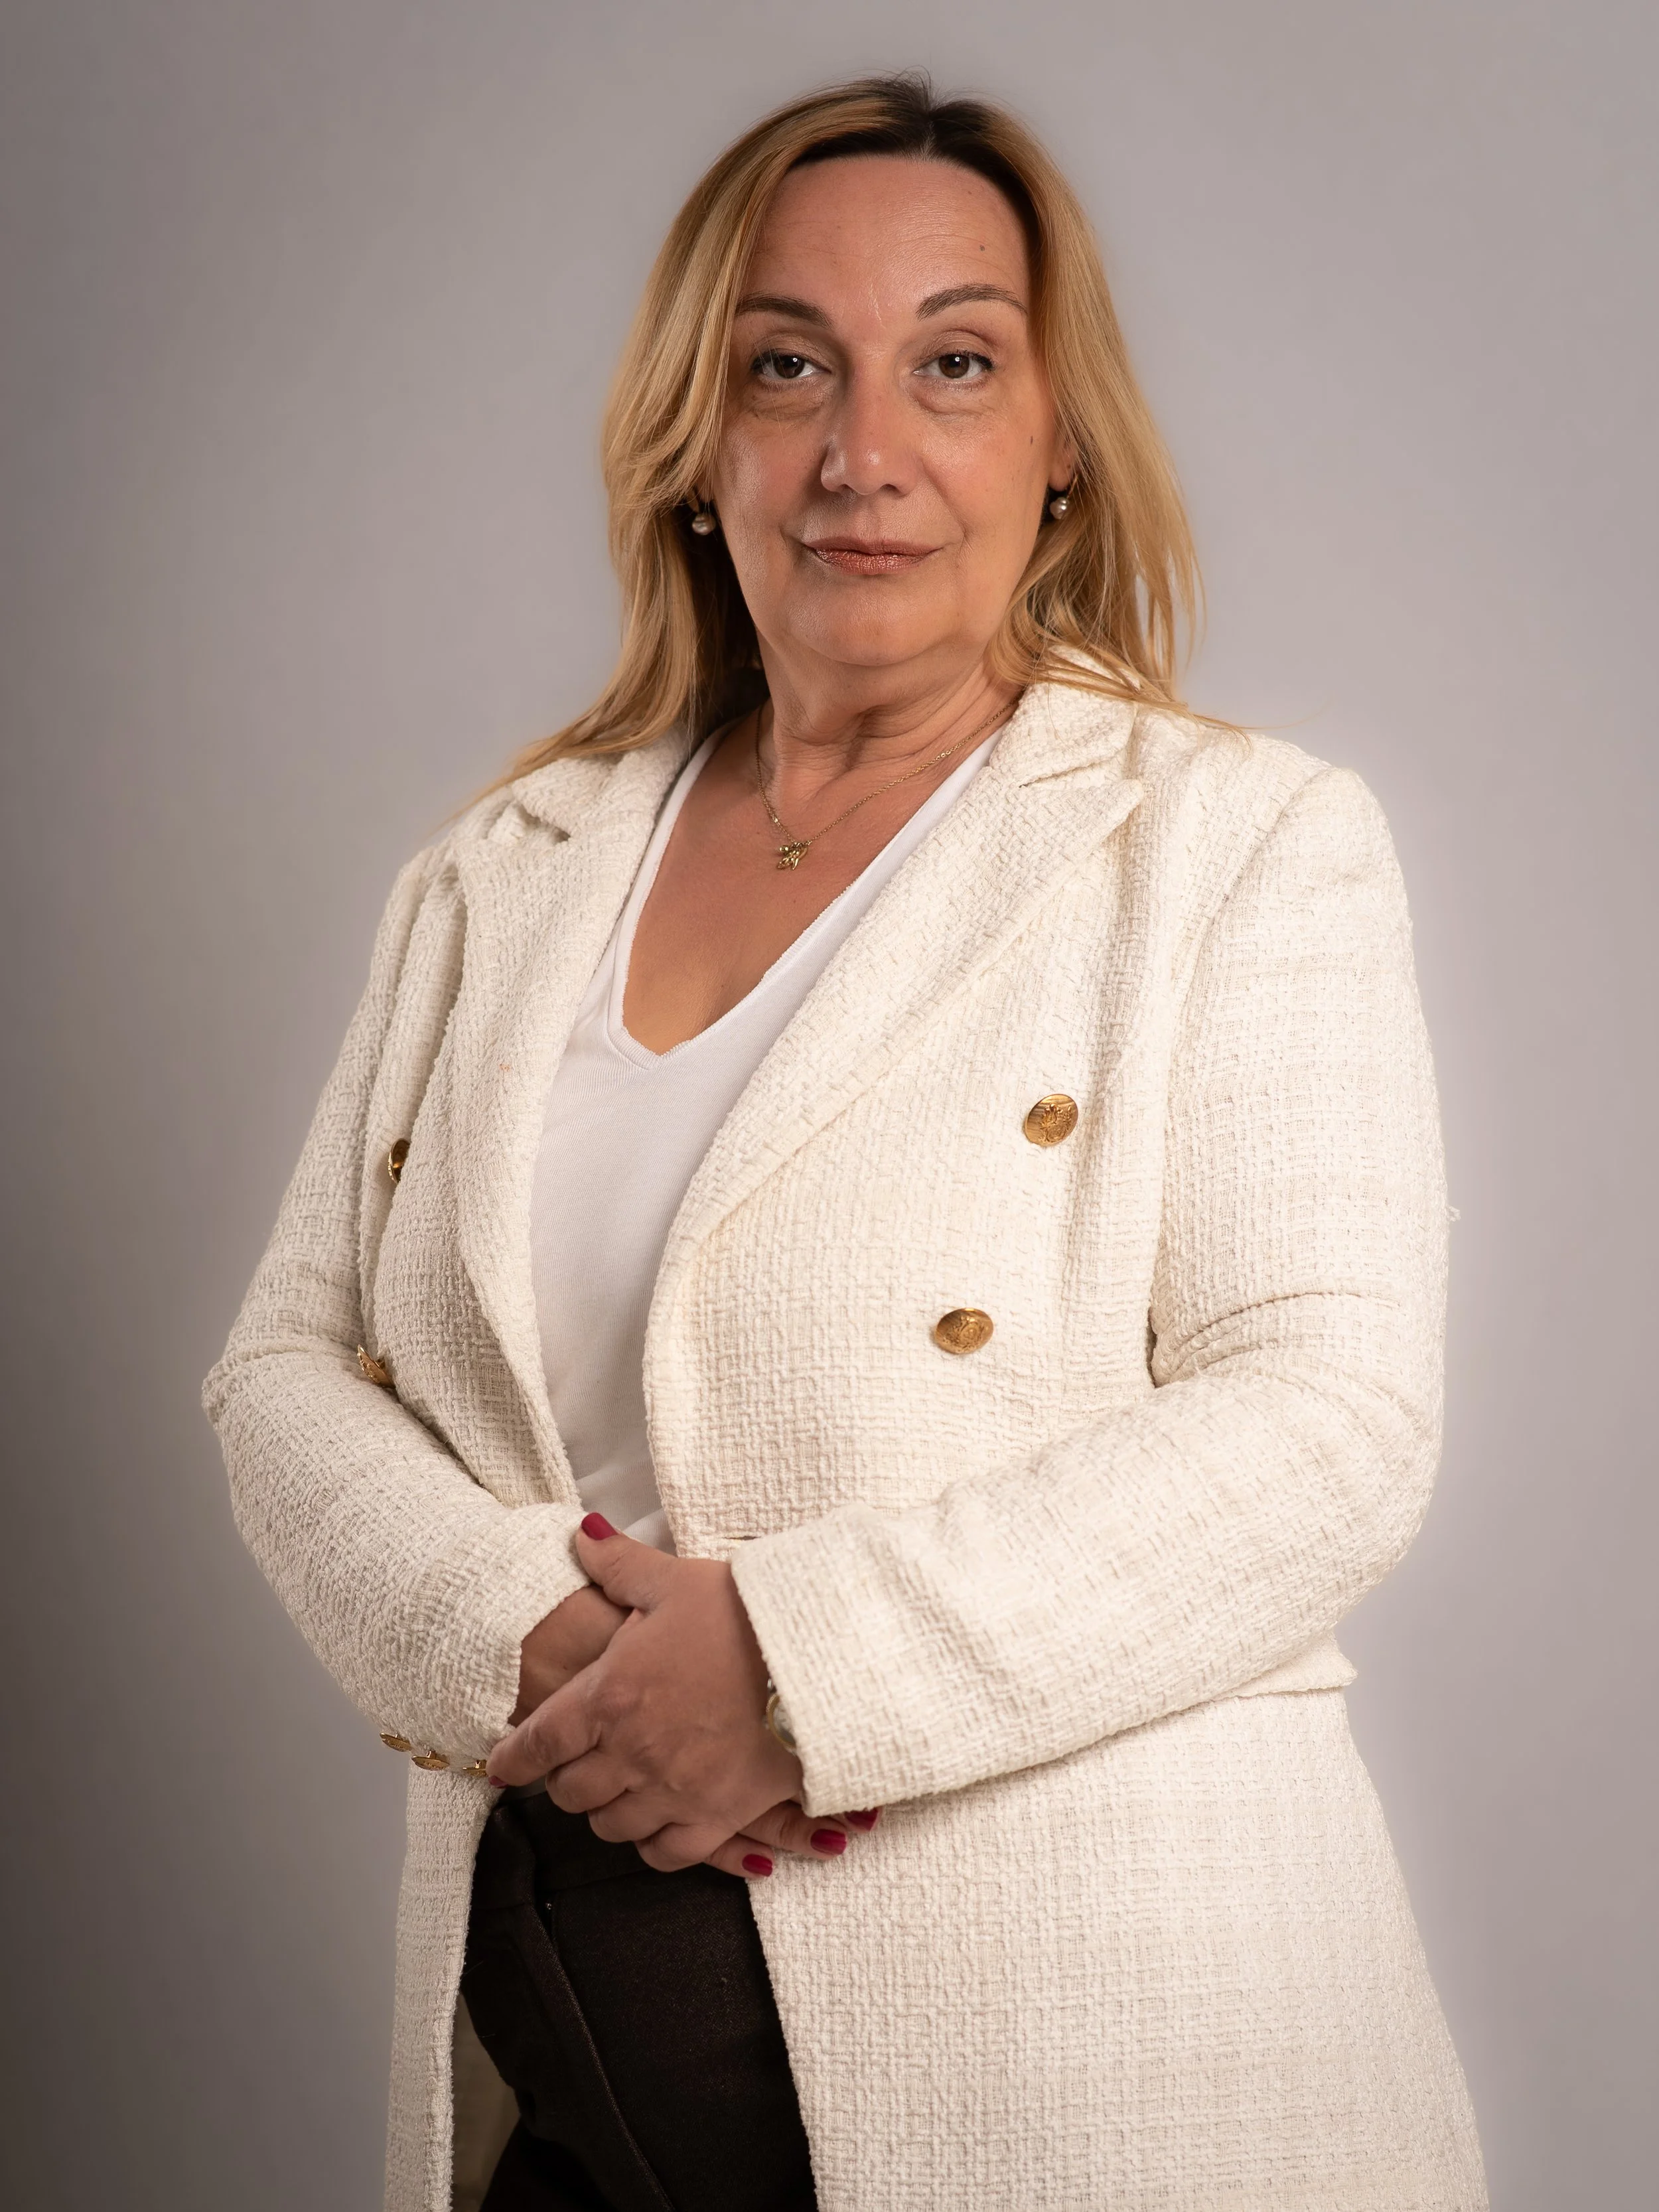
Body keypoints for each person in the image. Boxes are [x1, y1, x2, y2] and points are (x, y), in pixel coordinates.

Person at [204, 73, 1488, 2212]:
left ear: (1059, 440)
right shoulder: (495, 876)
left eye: (955, 364)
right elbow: (281, 1370)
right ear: (696, 436)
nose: (861, 453)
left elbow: (1329, 1418)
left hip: (1101, 2069)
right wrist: (520, 1625)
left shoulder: (1232, 845)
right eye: (783, 366)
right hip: (579, 2085)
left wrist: (795, 1675)